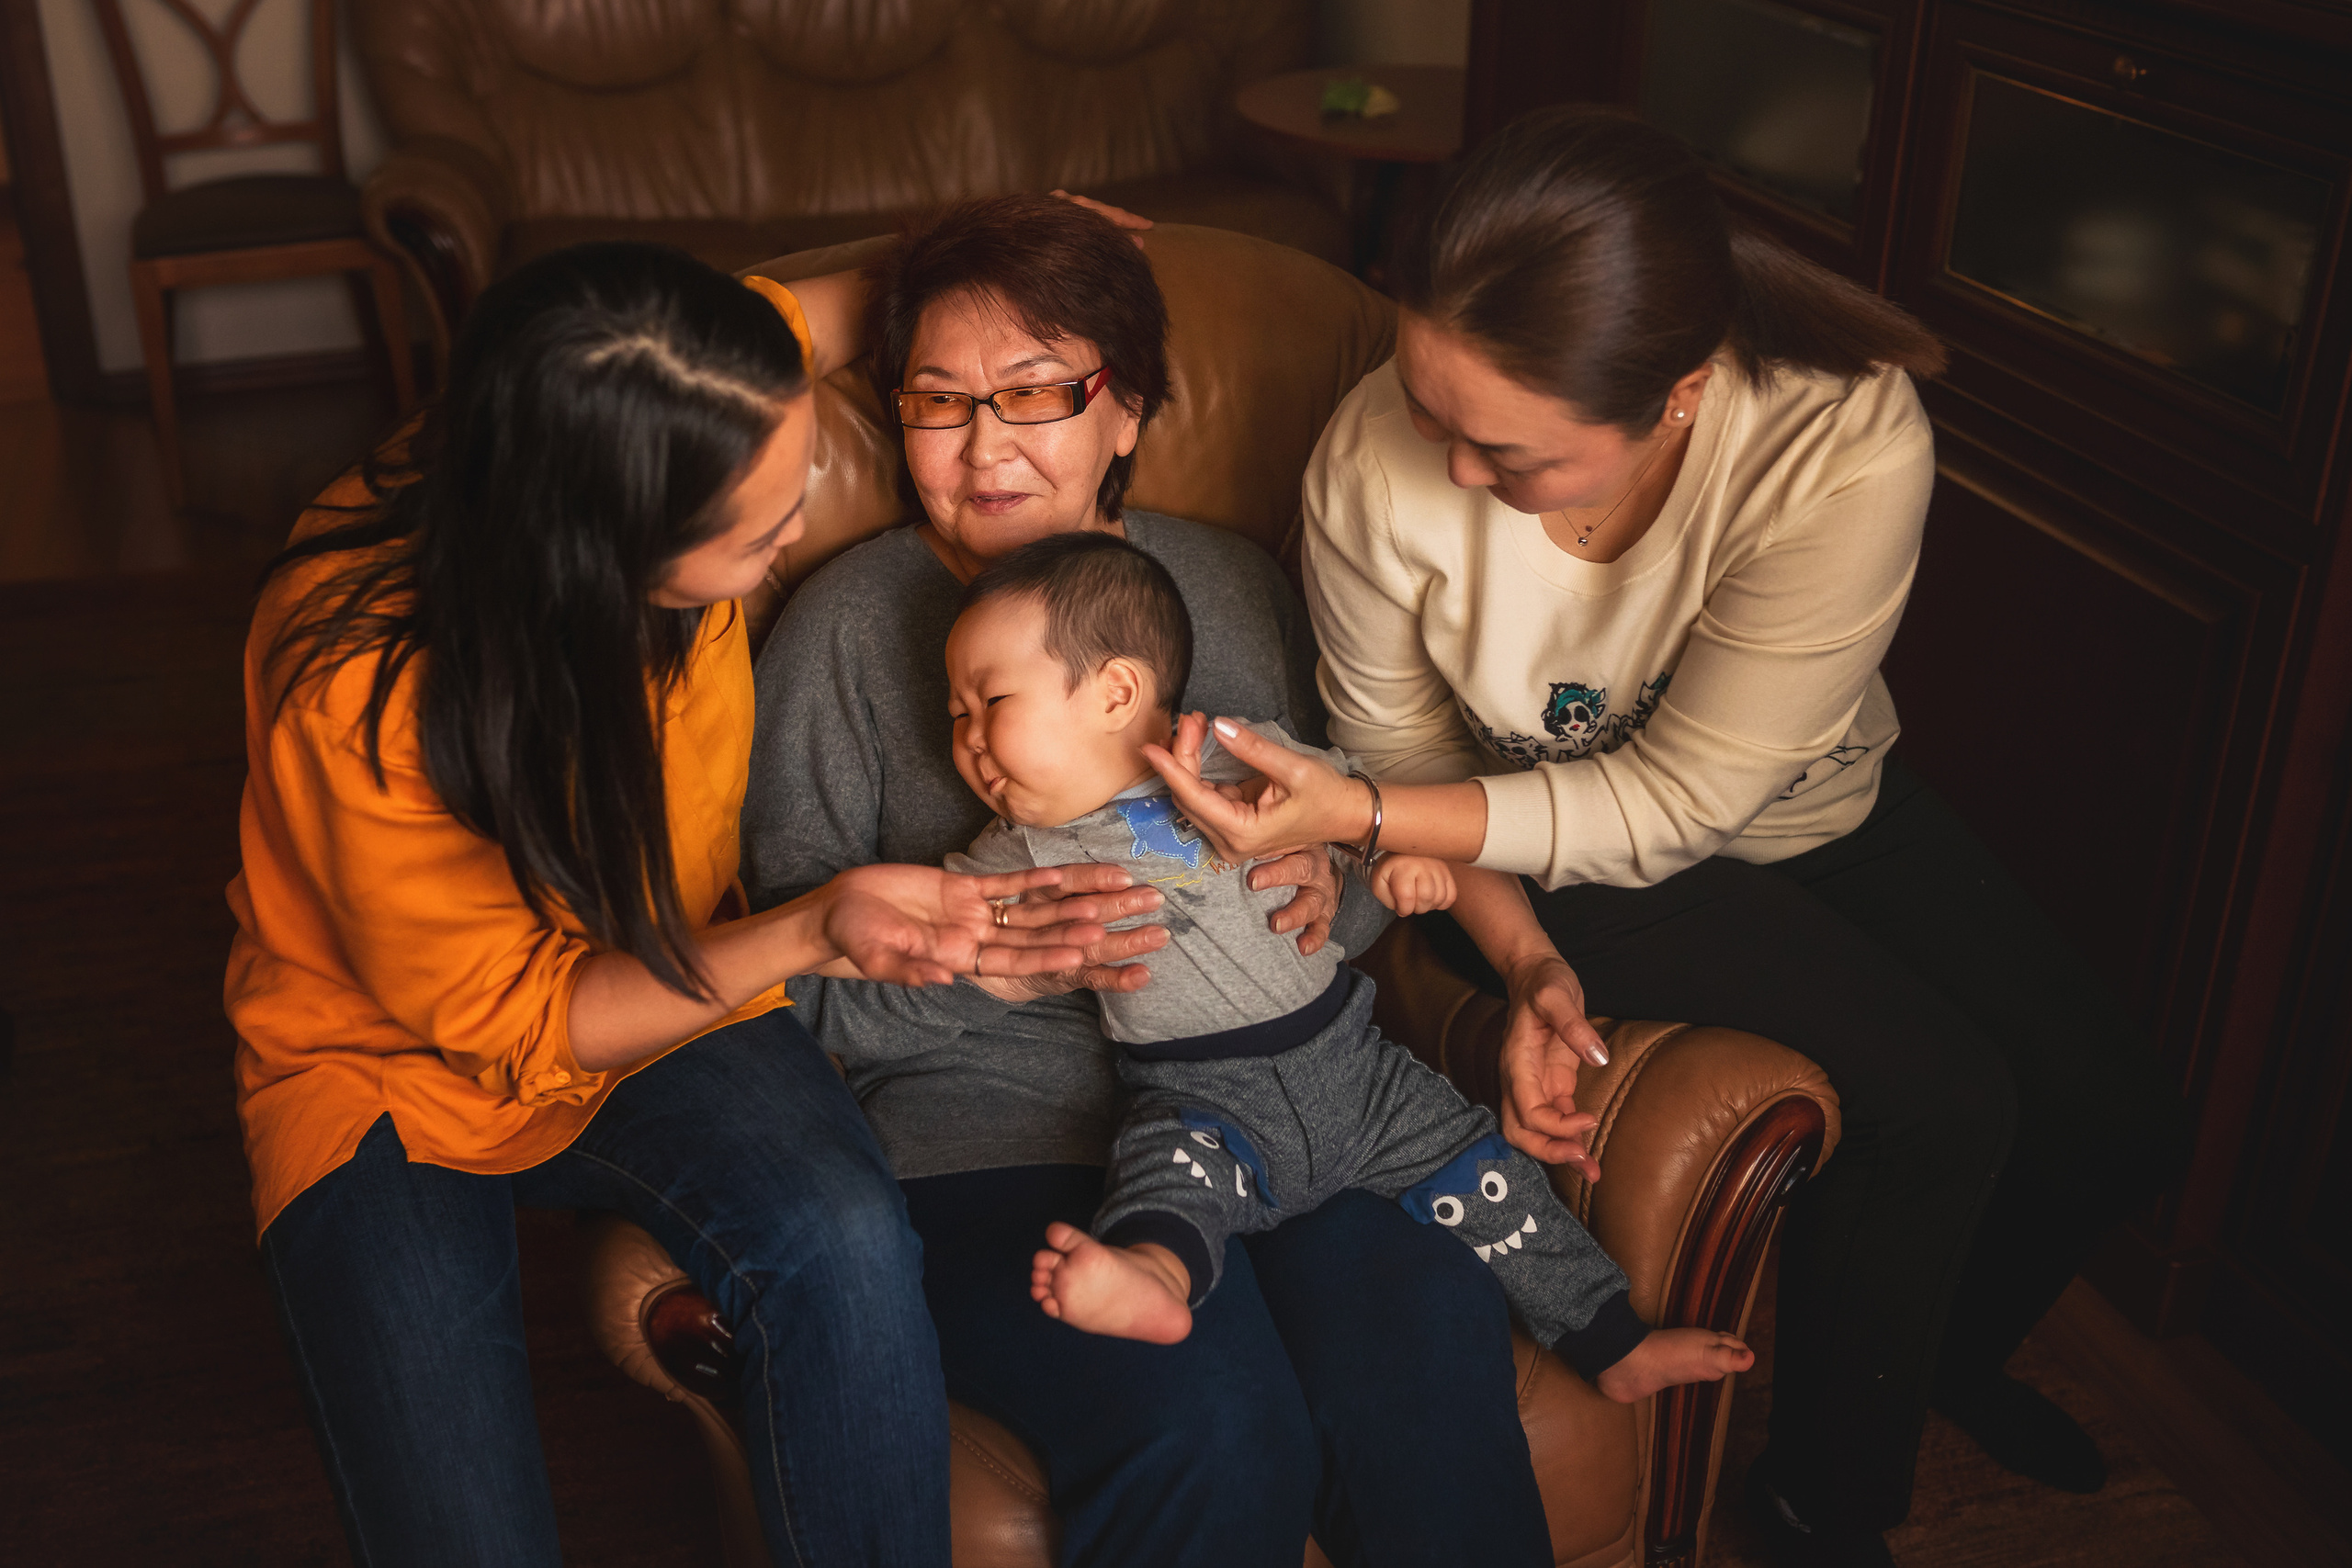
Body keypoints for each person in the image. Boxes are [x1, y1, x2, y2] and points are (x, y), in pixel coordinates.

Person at [1141, 109, 2190, 1568]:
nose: (1444, 467)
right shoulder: (1376, 462)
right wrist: (1494, 933)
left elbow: (1683, 795)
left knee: (2114, 1107)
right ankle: (1828, 1499)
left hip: (1785, 799)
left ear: (1680, 396)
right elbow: (1404, 762)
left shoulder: (1840, 435)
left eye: (1502, 450)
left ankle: (1938, 1353)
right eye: (1429, 406)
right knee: (1942, 1099)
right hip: (1522, 838)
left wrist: (1366, 814)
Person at [230, 241, 1110, 1568]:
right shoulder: (360, 689)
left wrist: (1016, 246)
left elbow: (847, 300)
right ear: (606, 557)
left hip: (672, 971)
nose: (802, 526)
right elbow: (532, 1020)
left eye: (800, 472)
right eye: (758, 534)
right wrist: (819, 924)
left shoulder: (670, 383)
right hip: (390, 1069)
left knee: (846, 1236)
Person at [741, 194, 1557, 1565]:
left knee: (1424, 1335)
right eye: (939, 402)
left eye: (1038, 393)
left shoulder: (1232, 591)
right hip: (995, 1144)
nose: (986, 443)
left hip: (1287, 1117)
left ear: (1129, 412)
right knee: (1212, 1418)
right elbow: (788, 1002)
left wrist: (1330, 880)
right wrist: (977, 964)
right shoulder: (843, 630)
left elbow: (1358, 876)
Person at [936, 531, 1755, 1414]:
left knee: (1489, 1178)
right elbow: (919, 939)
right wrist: (993, 947)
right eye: (955, 716)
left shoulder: (1250, 756)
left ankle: (1610, 1342)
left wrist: (1393, 866)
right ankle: (1151, 1277)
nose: (968, 739)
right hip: (1203, 1102)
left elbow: (1364, 813)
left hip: (1358, 1071)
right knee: (1166, 1181)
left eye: (989, 702)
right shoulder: (1017, 854)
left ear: (1116, 692)